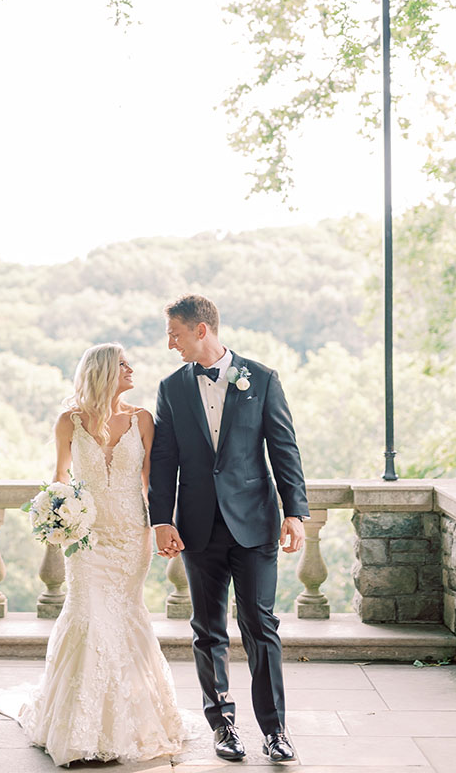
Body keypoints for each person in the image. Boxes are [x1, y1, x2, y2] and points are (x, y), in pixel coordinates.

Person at [0, 342, 183, 766]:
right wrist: (57, 517)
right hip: (86, 540)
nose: (131, 368)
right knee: (86, 618)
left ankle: (125, 724)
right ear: (103, 372)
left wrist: (161, 527)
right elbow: (59, 479)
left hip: (129, 539)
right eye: (122, 364)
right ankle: (79, 727)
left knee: (124, 617)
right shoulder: (70, 421)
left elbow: (154, 482)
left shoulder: (142, 420)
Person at [148, 294, 308, 765]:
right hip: (198, 527)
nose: (170, 343)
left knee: (261, 625)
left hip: (255, 525)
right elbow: (163, 462)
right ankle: (223, 724)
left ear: (201, 330)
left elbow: (285, 449)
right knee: (207, 629)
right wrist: (161, 519)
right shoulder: (172, 387)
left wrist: (295, 511)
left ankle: (276, 731)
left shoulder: (261, 379)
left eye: (174, 333)